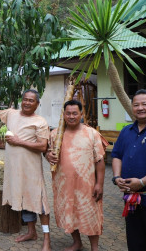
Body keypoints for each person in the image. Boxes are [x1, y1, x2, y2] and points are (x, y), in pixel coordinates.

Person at [0, 90, 51, 251]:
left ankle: (47, 238)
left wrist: (18, 141)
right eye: (25, 99)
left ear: (37, 104)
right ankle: (31, 232)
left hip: (32, 171)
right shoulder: (11, 113)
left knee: (40, 203)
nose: (27, 102)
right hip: (15, 171)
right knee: (24, 199)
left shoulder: (40, 122)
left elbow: (42, 146)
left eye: (31, 100)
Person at [46, 100, 106, 251]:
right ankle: (77, 243)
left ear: (81, 114)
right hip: (64, 186)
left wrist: (100, 184)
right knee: (70, 214)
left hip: (87, 186)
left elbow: (100, 161)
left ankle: (95, 248)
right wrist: (48, 156)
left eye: (74, 113)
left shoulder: (92, 133)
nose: (71, 116)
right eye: (68, 113)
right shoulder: (56, 135)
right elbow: (48, 153)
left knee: (90, 215)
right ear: (63, 115)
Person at [111, 89, 146, 251]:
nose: (140, 108)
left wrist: (143, 182)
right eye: (136, 105)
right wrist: (116, 177)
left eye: (145, 104)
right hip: (132, 200)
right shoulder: (126, 131)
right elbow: (116, 155)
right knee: (136, 244)